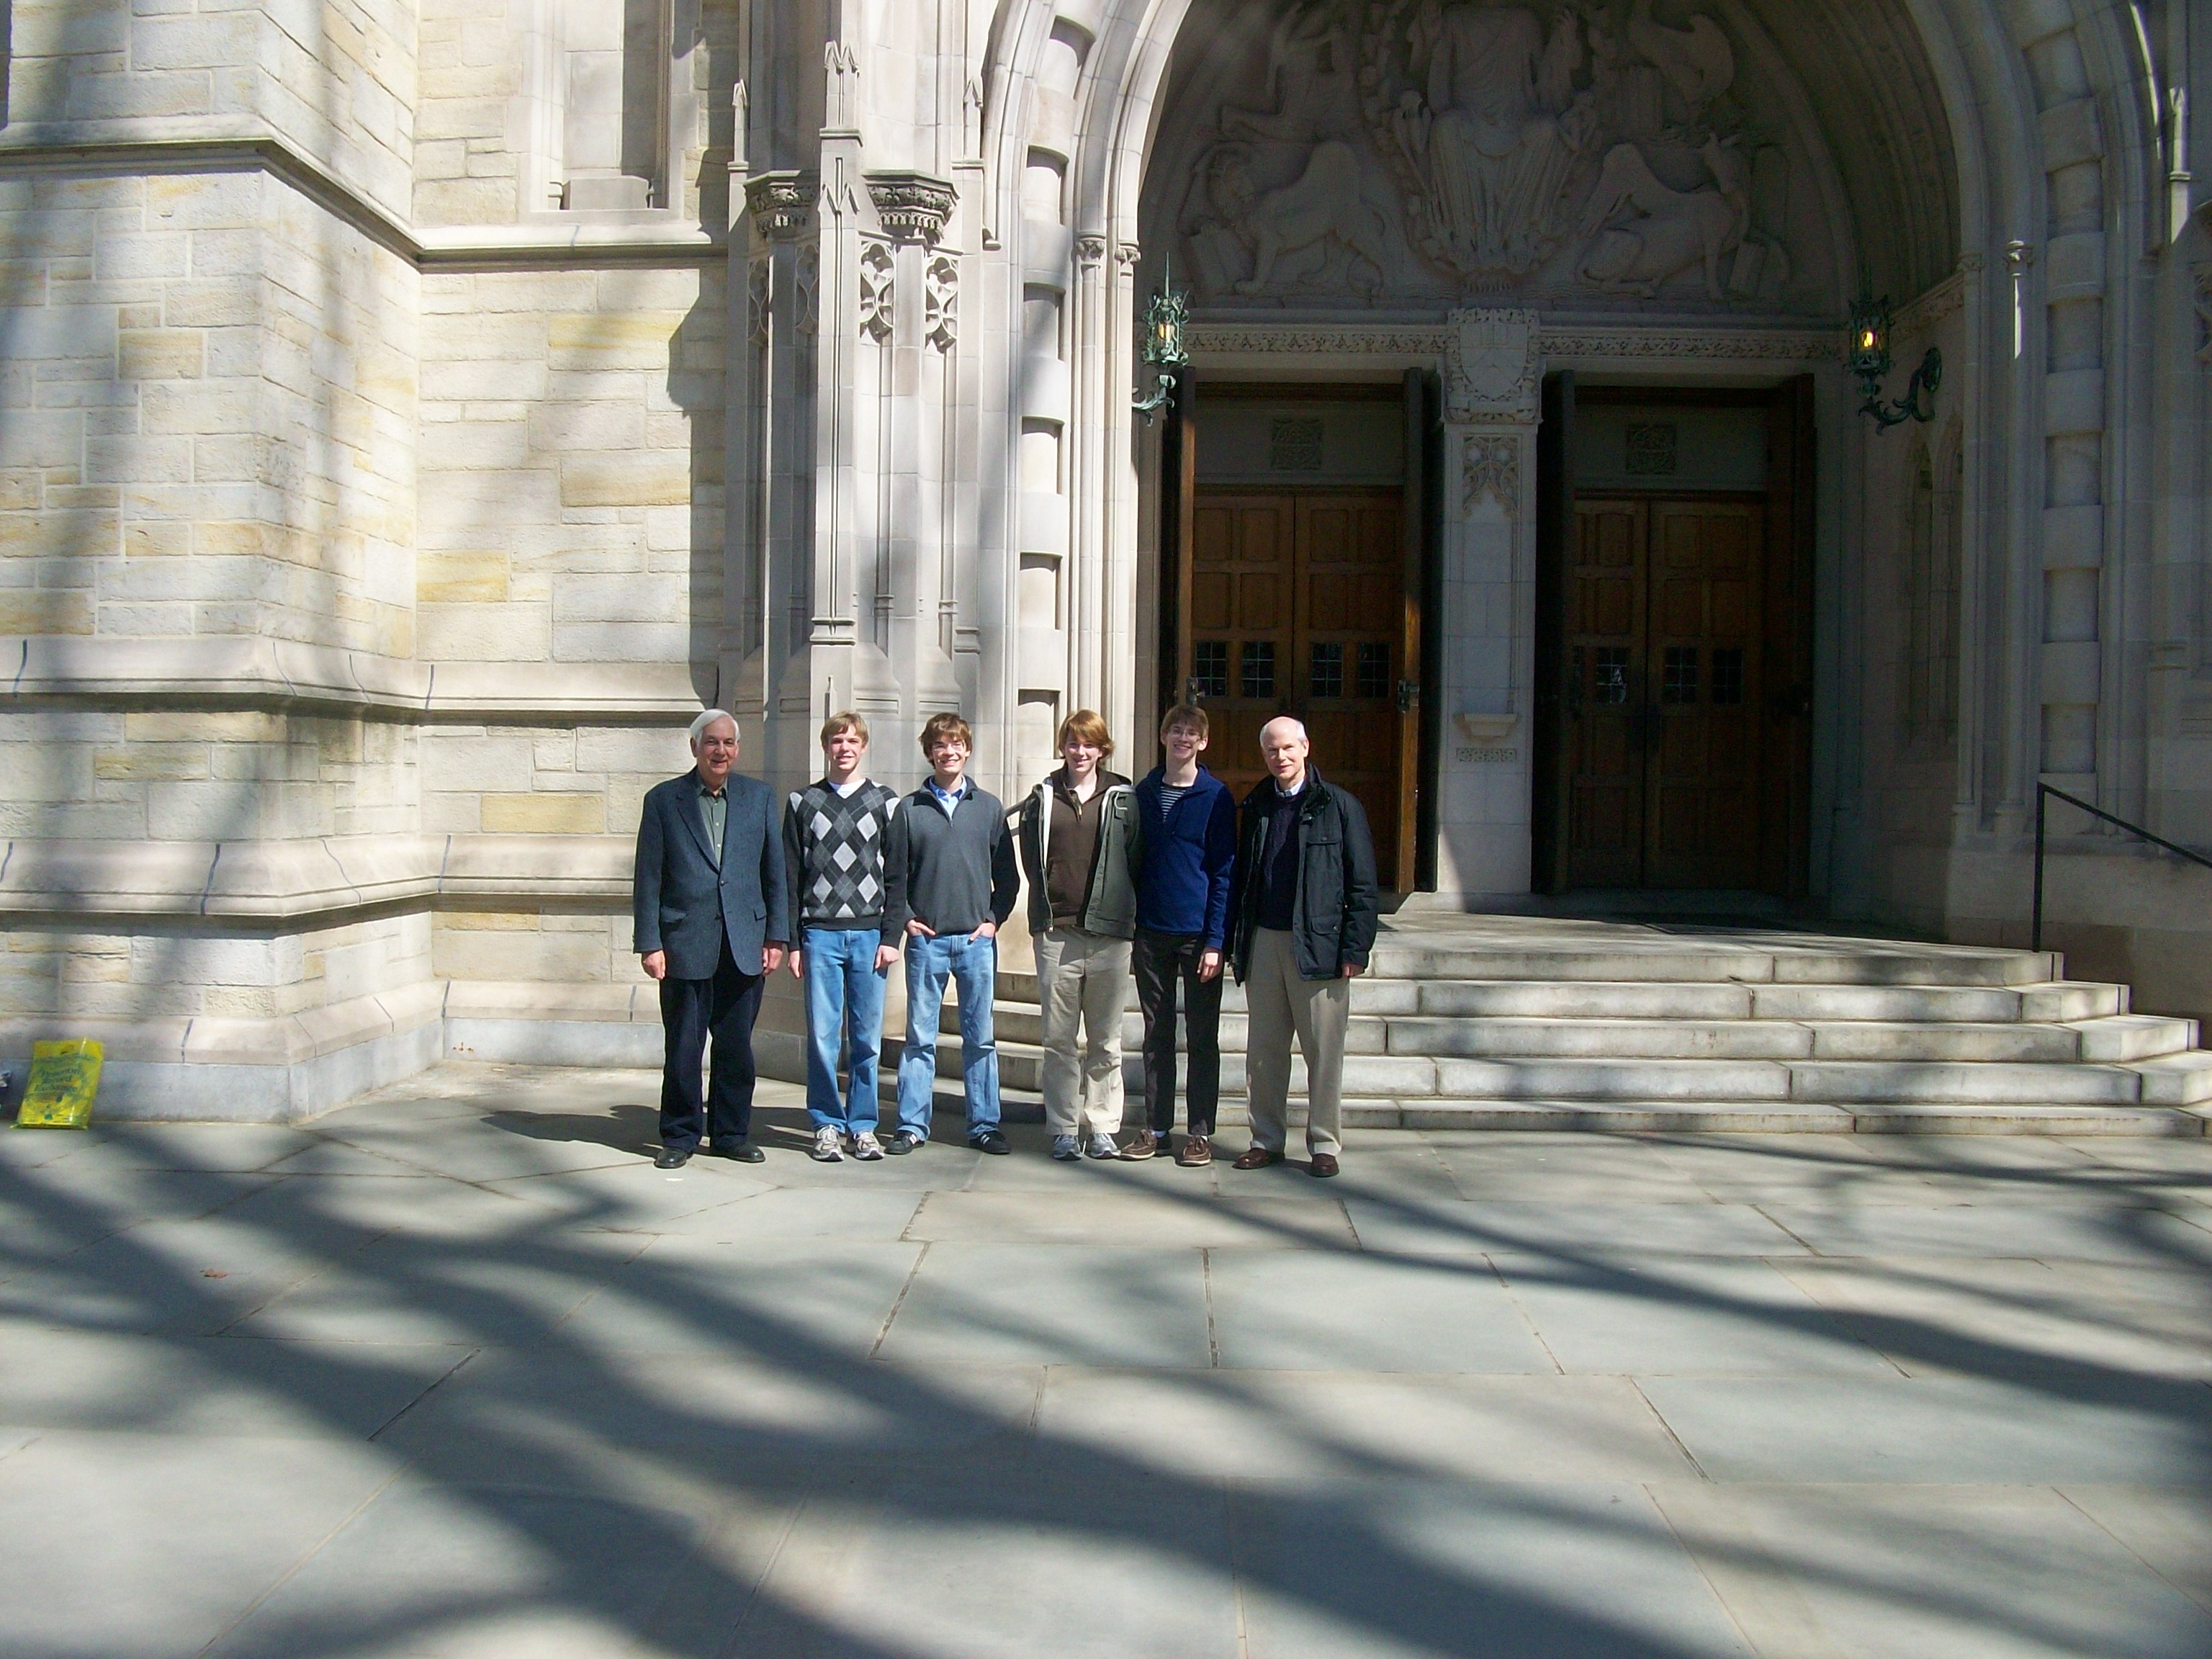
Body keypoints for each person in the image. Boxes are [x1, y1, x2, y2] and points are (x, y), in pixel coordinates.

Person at [633, 709, 788, 1169]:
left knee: (736, 1046)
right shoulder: (663, 801)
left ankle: (730, 1134)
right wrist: (650, 942)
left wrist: (776, 936)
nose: (720, 751)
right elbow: (648, 877)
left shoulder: (759, 797)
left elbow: (773, 872)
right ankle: (680, 1136)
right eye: (712, 743)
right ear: (695, 748)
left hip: (745, 943)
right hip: (684, 942)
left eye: (728, 744)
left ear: (737, 750)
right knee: (683, 1044)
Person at [1225, 716, 1378, 1179]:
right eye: (1272, 750)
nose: (1281, 757)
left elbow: (1363, 884)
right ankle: (1265, 1139)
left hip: (1321, 946)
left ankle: (1324, 1143)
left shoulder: (1341, 806)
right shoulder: (1256, 807)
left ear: (1306, 747)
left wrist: (1355, 948)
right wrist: (1237, 942)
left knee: (1323, 1052)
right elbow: (1242, 880)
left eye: (1288, 748)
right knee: (1265, 1051)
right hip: (1266, 941)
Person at [883, 712, 1020, 1156]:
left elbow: (1009, 877)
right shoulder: (909, 809)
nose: (949, 752)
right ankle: (911, 1125)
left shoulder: (989, 807)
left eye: (957, 744)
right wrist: (906, 919)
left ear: (967, 749)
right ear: (930, 753)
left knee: (979, 1036)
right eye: (941, 745)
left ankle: (984, 1124)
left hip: (976, 942)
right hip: (928, 941)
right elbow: (895, 875)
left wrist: (993, 920)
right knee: (920, 1038)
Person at [1017, 711, 1142, 1161]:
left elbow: (1136, 860)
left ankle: (1104, 1125)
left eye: (1089, 744)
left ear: (1102, 748)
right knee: (1059, 1039)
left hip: (1109, 935)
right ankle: (1065, 1127)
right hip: (1058, 934)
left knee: (1106, 1040)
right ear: (1063, 746)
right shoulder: (1042, 797)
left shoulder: (1124, 797)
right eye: (1073, 743)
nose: (1081, 751)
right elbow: (1032, 861)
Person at [784, 712, 903, 1163]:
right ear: (825, 746)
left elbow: (897, 875)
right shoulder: (803, 802)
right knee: (822, 1036)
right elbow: (790, 875)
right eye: (837, 740)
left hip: (871, 935)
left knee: (868, 1038)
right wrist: (793, 941)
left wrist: (891, 936)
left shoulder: (886, 803)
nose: (845, 747)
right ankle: (827, 1124)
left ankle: (864, 1125)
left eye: (853, 740)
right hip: (820, 934)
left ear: (864, 746)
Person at [1123, 703, 1237, 1168]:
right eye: (1175, 731)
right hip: (1152, 932)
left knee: (1202, 1036)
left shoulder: (1216, 796)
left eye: (1191, 733)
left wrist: (1216, 941)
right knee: (1157, 1033)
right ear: (1164, 737)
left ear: (1203, 742)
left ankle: (1200, 1131)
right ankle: (1155, 1127)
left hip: (1197, 937)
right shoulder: (1144, 792)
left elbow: (1224, 871)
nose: (1182, 739)